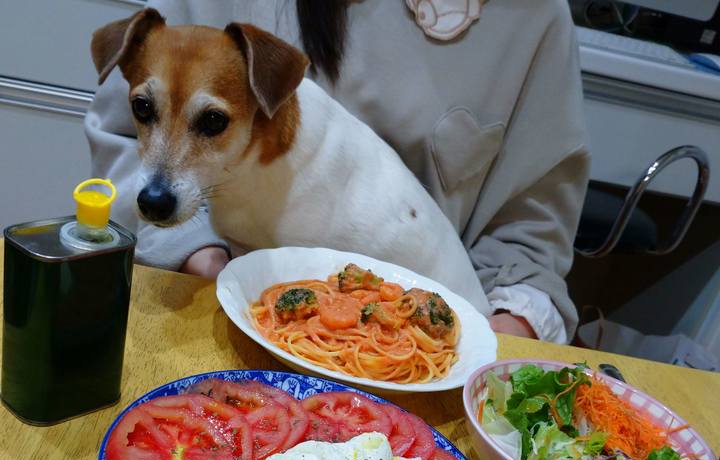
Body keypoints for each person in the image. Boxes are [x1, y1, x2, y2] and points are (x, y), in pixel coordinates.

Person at [85, 0, 590, 342]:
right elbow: (124, 146)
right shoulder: (171, 41)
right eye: (145, 108)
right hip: (214, 306)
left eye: (211, 122)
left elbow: (532, 229)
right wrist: (195, 251)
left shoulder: (530, 16)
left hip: (426, 328)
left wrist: (494, 338)